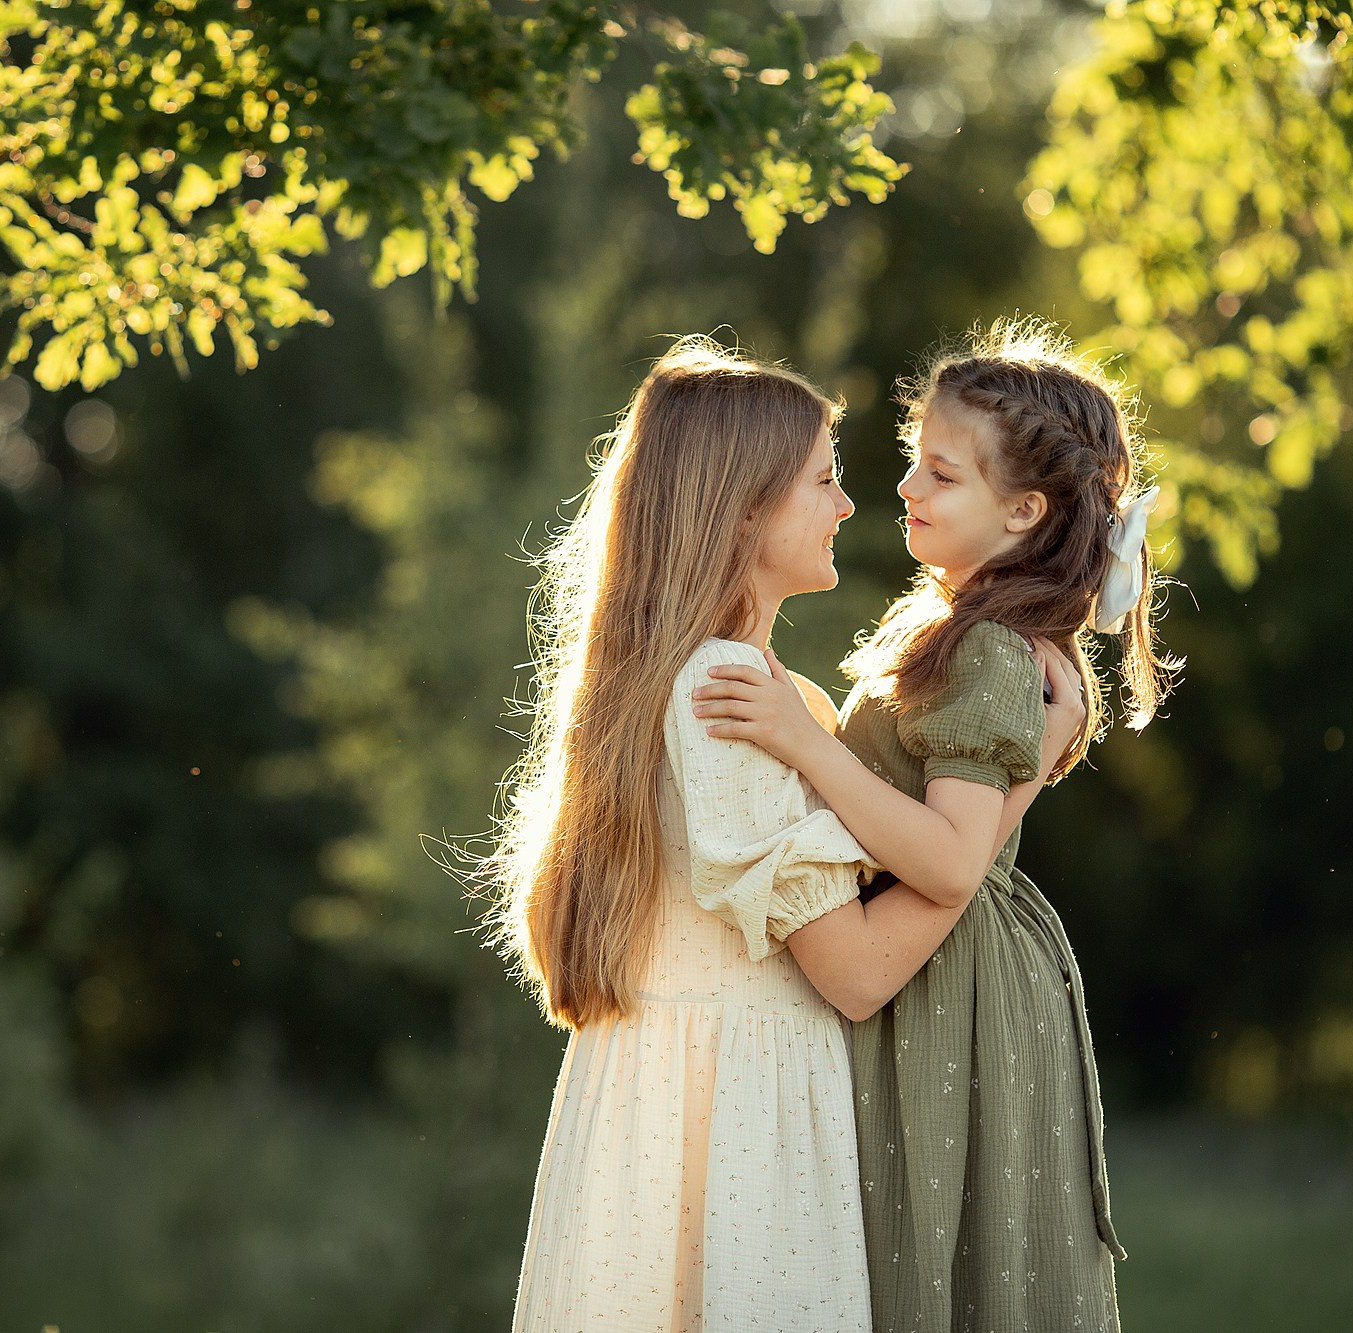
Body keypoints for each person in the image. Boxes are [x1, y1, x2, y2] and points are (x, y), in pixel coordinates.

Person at [491, 337, 1083, 1332]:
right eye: (820, 480)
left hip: (692, 1102)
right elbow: (857, 972)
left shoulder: (773, 698)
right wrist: (1021, 780)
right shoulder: (728, 702)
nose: (849, 504)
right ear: (742, 509)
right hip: (732, 1124)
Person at [690, 321, 1176, 1333]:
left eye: (941, 474)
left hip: (945, 983)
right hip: (944, 962)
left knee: (927, 1252)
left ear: (1022, 510)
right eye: (917, 460)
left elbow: (952, 859)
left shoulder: (989, 647)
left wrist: (802, 741)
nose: (906, 485)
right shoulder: (962, 629)